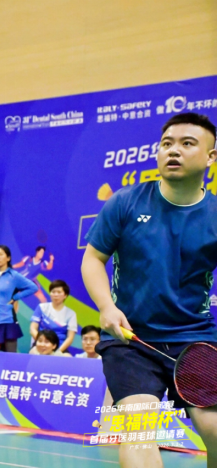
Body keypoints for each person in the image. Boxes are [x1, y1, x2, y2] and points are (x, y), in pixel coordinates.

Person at [81, 114, 217, 468]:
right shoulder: (126, 203)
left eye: (187, 144)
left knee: (215, 430)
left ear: (211, 157)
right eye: (167, 143)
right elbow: (93, 260)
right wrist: (106, 307)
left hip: (194, 339)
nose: (174, 150)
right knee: (139, 431)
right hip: (131, 340)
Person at [29, 279, 77, 353]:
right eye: (53, 292)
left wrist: (58, 352)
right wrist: (42, 343)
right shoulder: (42, 307)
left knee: (68, 357)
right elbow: (32, 329)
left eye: (59, 292)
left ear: (65, 295)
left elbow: (70, 337)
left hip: (59, 347)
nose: (55, 295)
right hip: (40, 346)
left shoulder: (71, 314)